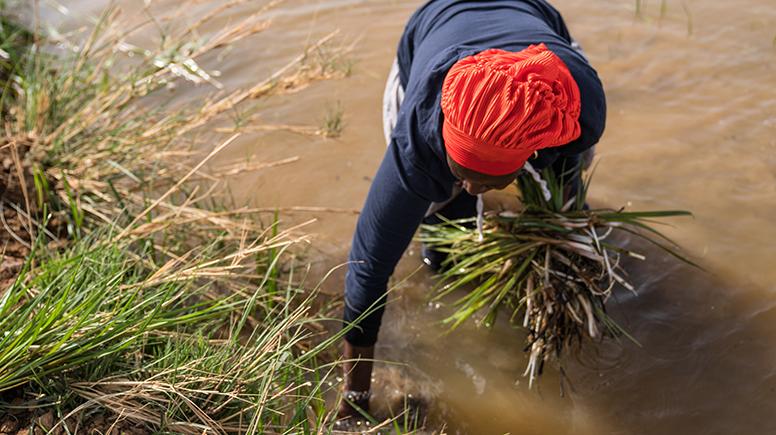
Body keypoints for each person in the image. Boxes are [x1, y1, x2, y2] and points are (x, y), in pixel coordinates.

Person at [339, 0, 606, 419]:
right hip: (434, 26)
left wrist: (565, 234)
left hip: (536, 26)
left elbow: (568, 179)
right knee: (443, 240)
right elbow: (368, 267)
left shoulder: (579, 109)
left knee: (563, 203)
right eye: (461, 171)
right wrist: (353, 401)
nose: (471, 187)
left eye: (486, 180)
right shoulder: (418, 140)